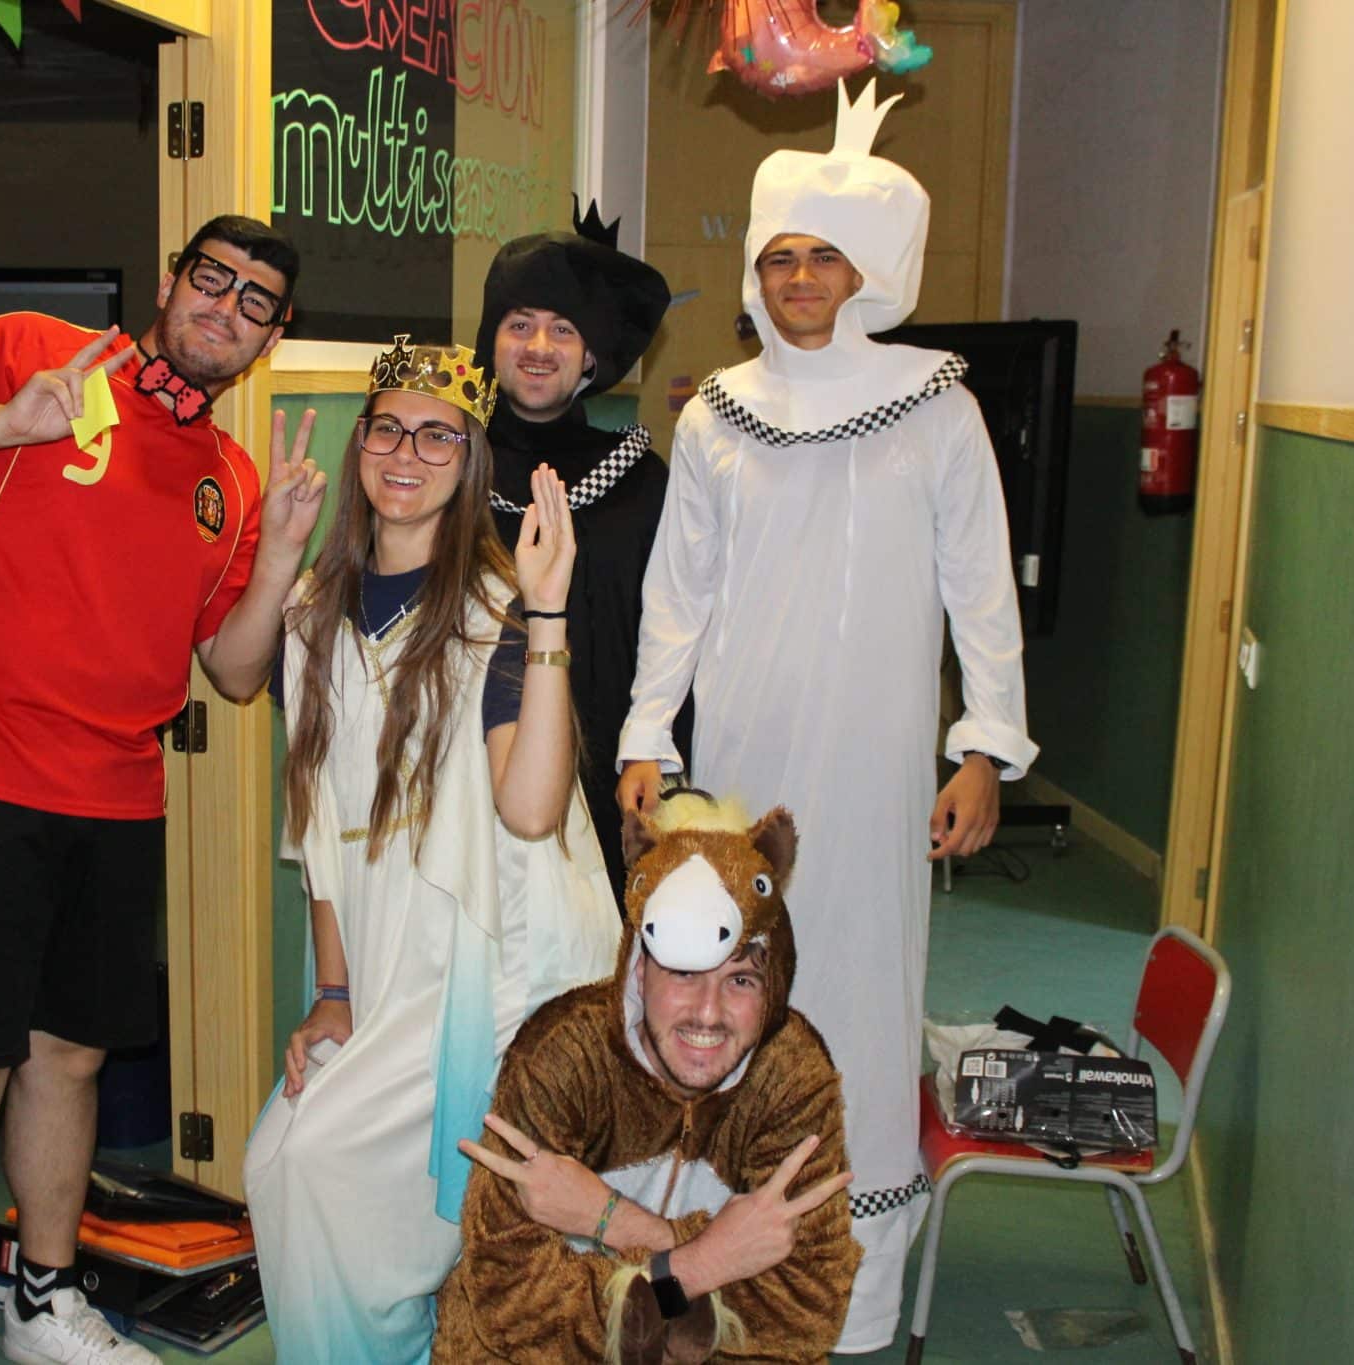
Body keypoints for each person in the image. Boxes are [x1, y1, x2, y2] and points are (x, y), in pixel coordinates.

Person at [0, 215, 326, 1365]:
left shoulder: (230, 479)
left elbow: (236, 672)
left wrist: (282, 556)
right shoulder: (34, 352)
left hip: (113, 800)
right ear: (171, 281)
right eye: (212, 280)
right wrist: (3, 424)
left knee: (70, 1063)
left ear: (272, 336)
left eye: (254, 302)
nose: (226, 308)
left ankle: (44, 1299)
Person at [615, 83, 1037, 1353]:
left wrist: (983, 746)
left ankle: (848, 1298)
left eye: (822, 257)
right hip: (741, 764)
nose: (798, 279)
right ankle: (724, 1257)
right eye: (778, 258)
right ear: (755, 274)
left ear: (865, 273)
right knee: (726, 979)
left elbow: (978, 586)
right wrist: (646, 734)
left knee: (856, 985)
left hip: (874, 766)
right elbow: (677, 593)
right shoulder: (716, 413)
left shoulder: (935, 405)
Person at [242, 336, 622, 1362]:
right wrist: (332, 992)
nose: (407, 453)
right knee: (276, 1163)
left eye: (437, 437)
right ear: (360, 443)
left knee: (323, 1174)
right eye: (388, 430)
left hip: (488, 969)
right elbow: (323, 831)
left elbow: (532, 811)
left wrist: (548, 609)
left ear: (469, 463)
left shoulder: (494, 615)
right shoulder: (313, 616)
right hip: (383, 964)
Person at [433, 790, 858, 1364]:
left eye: (739, 981)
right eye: (683, 973)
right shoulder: (564, 1056)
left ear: (773, 985)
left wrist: (616, 1224)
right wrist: (703, 1262)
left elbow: (805, 1310)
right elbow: (508, 1300)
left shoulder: (792, 1077)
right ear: (638, 969)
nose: (707, 1014)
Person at [476, 200, 682, 908]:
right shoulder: (447, 468)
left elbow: (672, 634)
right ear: (492, 341)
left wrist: (655, 752)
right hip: (478, 778)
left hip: (611, 780)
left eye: (563, 330)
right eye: (520, 324)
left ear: (591, 356)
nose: (539, 346)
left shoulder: (641, 481)